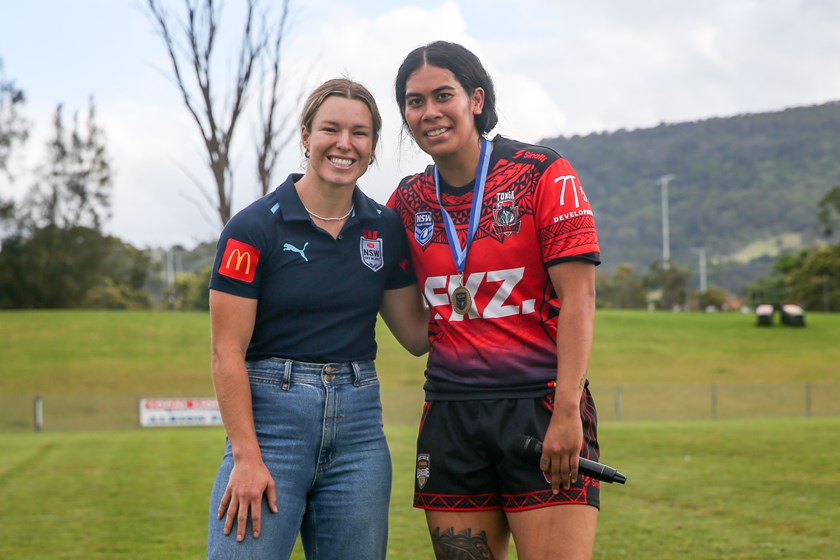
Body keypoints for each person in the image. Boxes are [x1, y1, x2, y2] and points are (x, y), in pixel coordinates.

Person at [387, 41, 602, 560]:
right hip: (451, 417)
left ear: (476, 99)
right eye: (415, 102)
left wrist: (567, 412)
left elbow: (580, 297)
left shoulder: (543, 173)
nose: (429, 113)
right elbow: (418, 336)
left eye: (444, 95)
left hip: (541, 406)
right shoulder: (405, 203)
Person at [206, 77, 429, 560]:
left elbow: (416, 335)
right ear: (306, 136)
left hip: (359, 435)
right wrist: (246, 456)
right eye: (330, 129)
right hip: (271, 433)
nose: (345, 144)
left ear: (372, 148)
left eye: (360, 133)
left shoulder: (384, 228)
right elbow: (227, 353)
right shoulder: (253, 227)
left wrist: (484, 287)